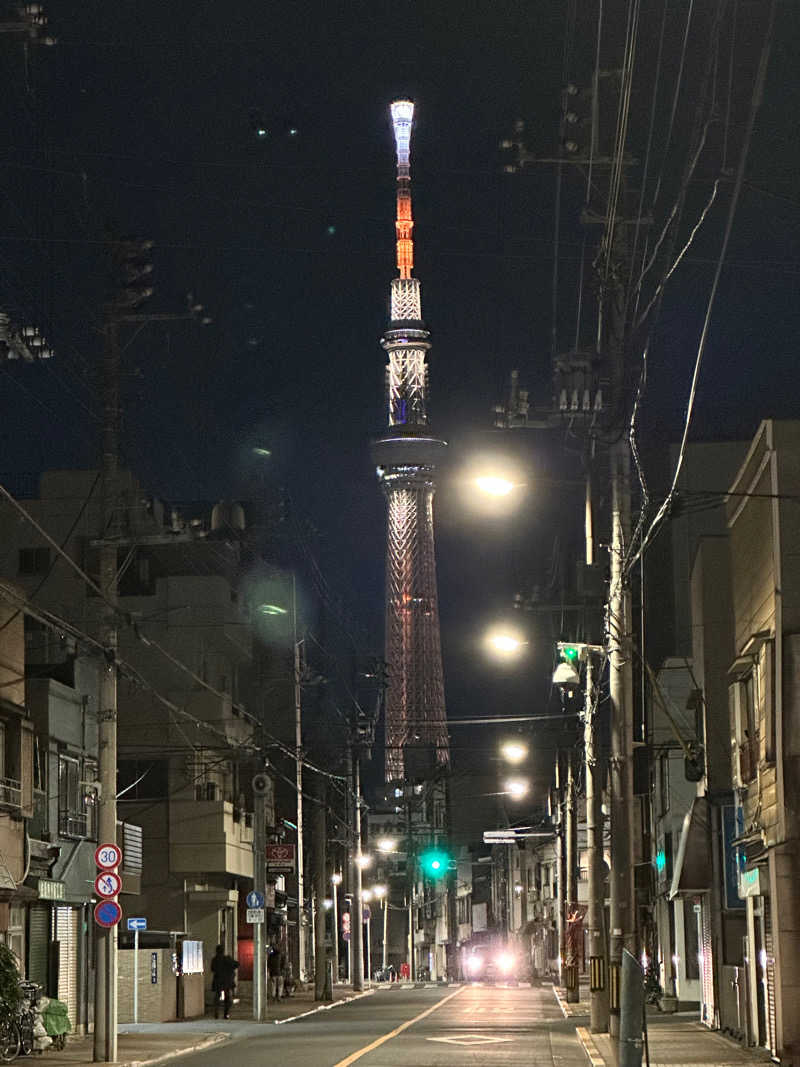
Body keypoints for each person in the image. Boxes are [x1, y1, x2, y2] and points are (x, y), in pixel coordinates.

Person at [210, 944, 238, 1020]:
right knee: (227, 997)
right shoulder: (227, 959)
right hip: (226, 981)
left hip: (218, 979)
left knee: (217, 996)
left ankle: (216, 1012)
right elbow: (236, 964)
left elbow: (212, 969)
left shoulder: (215, 959)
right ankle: (226, 1014)